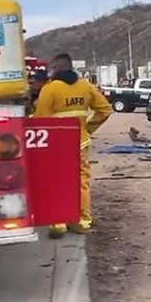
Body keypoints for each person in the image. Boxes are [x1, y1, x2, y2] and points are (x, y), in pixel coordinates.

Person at [34, 53, 113, 237]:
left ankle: (58, 222)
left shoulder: (50, 89)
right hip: (80, 141)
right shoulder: (86, 86)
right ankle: (82, 221)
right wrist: (88, 128)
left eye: (52, 68)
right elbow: (105, 109)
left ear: (58, 68)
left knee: (56, 181)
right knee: (82, 181)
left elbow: (41, 120)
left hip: (56, 144)